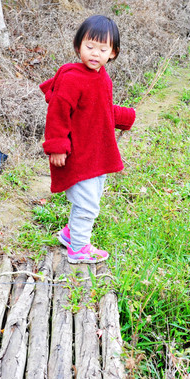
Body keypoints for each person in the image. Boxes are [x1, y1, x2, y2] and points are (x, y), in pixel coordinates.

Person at [40, 15, 136, 264]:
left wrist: (126, 117)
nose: (95, 53)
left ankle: (71, 234)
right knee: (88, 204)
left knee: (91, 195)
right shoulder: (73, 79)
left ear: (113, 53)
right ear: (78, 46)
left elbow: (99, 110)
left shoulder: (101, 76)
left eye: (102, 49)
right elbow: (57, 115)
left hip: (96, 151)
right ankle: (79, 248)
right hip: (79, 153)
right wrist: (57, 146)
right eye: (89, 47)